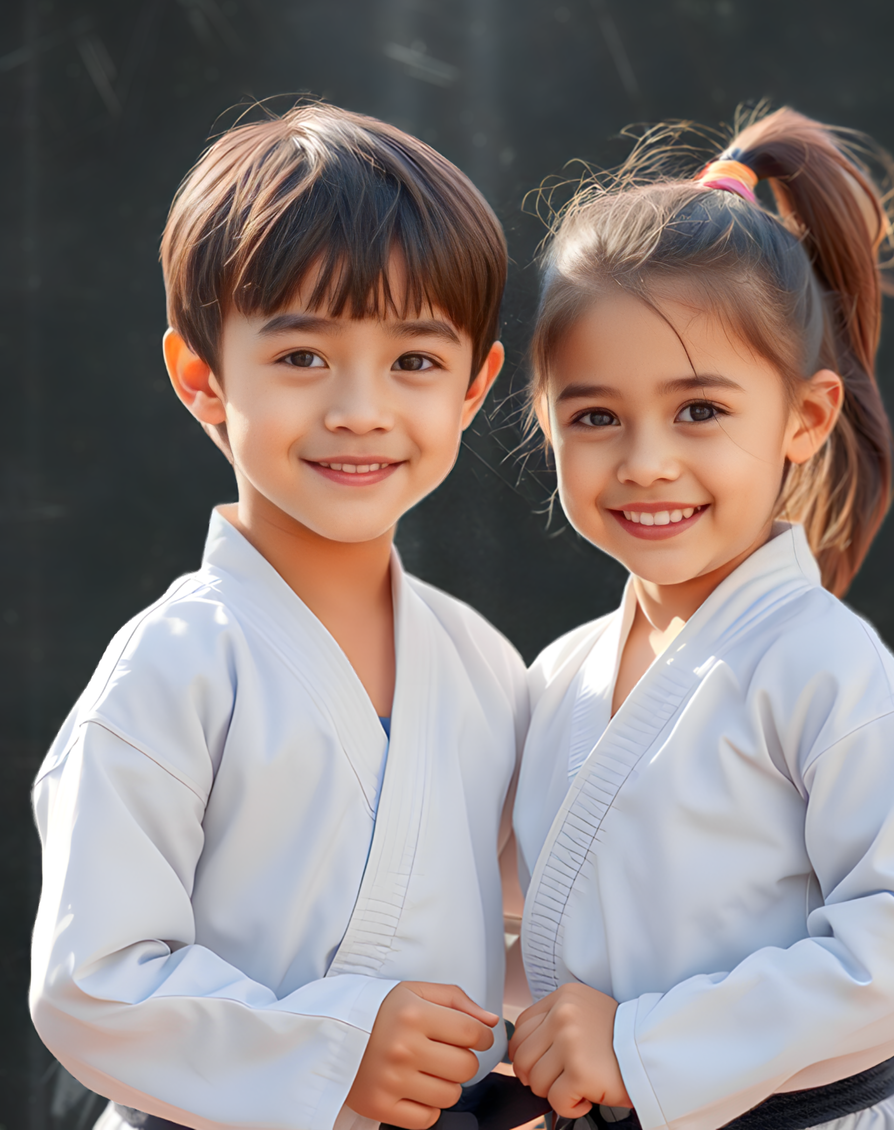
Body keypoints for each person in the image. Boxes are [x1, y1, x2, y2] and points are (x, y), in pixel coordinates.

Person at [30, 103, 547, 1130]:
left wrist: (529, 1054)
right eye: (304, 356)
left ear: (477, 386)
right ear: (202, 378)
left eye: (414, 361)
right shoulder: (173, 664)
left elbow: (527, 932)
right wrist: (339, 1048)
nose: (360, 407)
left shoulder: (487, 667)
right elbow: (90, 981)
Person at [508, 107, 894, 1130]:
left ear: (805, 418)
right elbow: (528, 928)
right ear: (545, 419)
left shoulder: (819, 665)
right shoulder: (556, 674)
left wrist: (640, 1044)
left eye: (699, 410)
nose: (645, 460)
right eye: (595, 414)